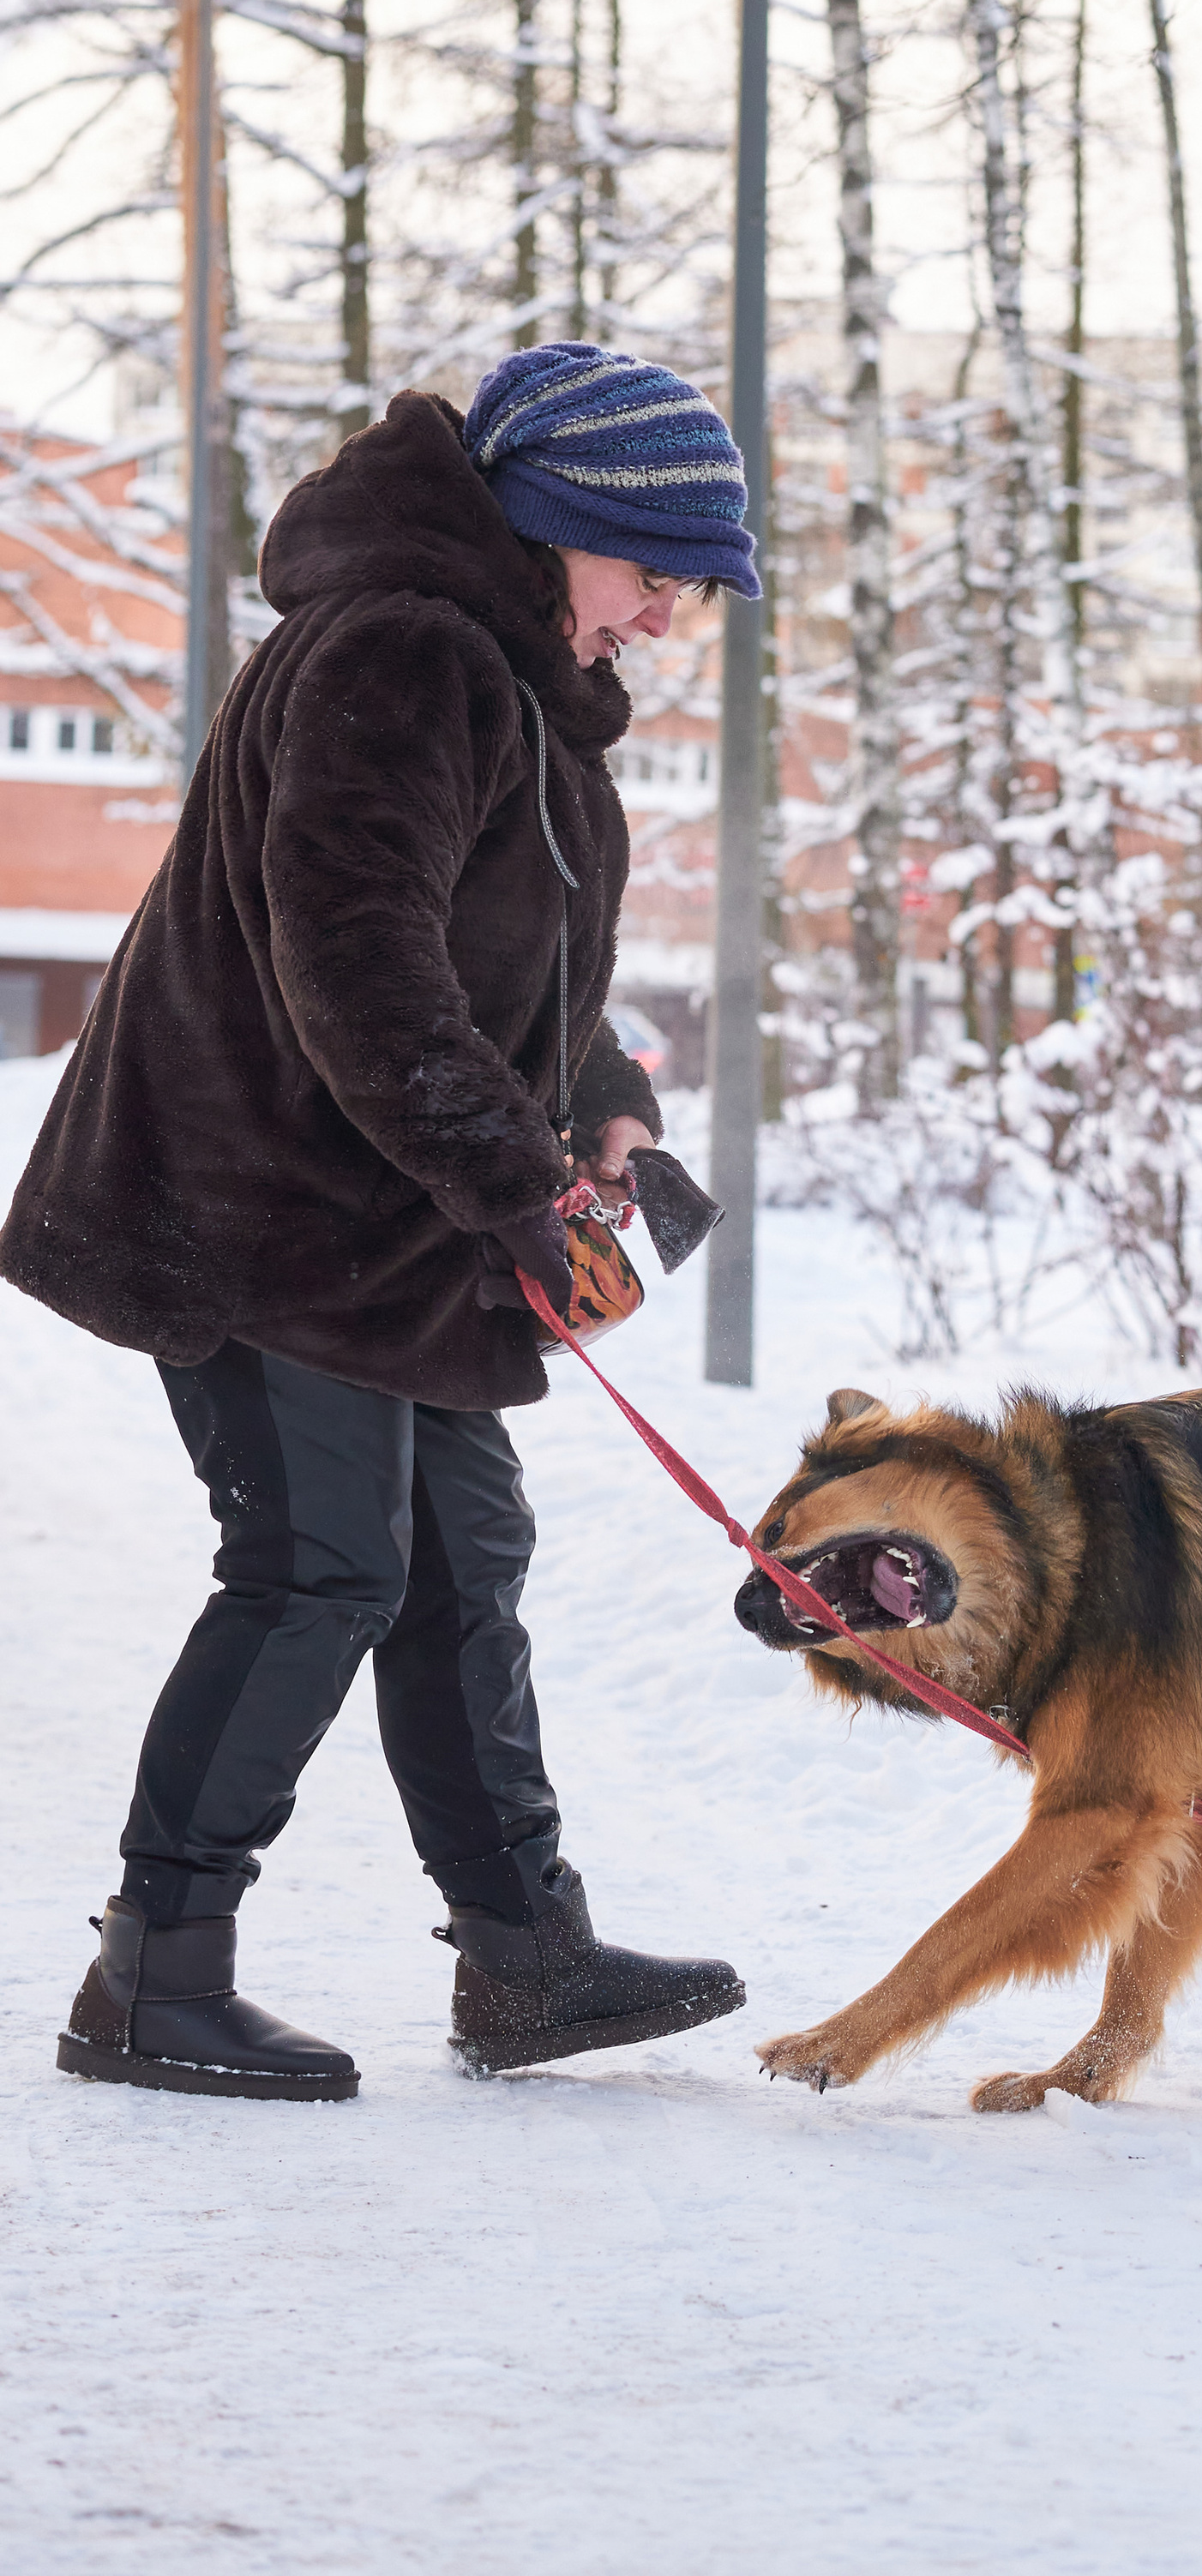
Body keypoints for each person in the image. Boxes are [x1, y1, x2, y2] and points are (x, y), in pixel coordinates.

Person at [3, 345, 761, 2101]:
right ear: (555, 527)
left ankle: (526, 1961)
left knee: (453, 1569)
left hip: (385, 1214)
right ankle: (152, 1978)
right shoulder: (403, 655)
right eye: (650, 575)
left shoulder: (504, 681)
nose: (659, 620)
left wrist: (595, 1099)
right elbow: (358, 970)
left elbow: (505, 965)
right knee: (317, 1569)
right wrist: (517, 1195)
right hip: (258, 1203)